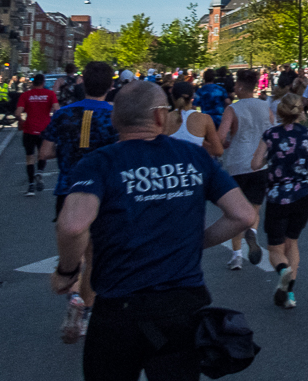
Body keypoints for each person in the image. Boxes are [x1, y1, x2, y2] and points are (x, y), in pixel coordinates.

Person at [52, 80, 253, 381]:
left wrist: (67, 272)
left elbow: (74, 225)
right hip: (181, 305)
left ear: (116, 119)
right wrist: (194, 243)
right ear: (160, 116)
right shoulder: (194, 156)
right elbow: (242, 215)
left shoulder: (98, 162)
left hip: (119, 306)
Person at [40, 61, 120, 345]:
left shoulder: (62, 114)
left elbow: (46, 151)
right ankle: (84, 308)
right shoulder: (115, 116)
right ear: (111, 86)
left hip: (67, 190)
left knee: (73, 250)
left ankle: (72, 292)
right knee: (95, 256)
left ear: (82, 83)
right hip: (103, 193)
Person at [251, 92, 308, 309]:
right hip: (303, 195)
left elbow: (255, 164)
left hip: (277, 196)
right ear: (301, 111)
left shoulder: (270, 135)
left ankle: (283, 271)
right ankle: (289, 294)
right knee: (292, 242)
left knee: (276, 248)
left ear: (279, 111)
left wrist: (271, 157)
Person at [218, 68, 270, 270]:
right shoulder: (266, 107)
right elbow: (271, 131)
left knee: (235, 213)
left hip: (237, 164)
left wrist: (224, 143)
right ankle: (253, 233)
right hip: (260, 162)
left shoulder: (233, 109)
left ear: (239, 86)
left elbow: (221, 137)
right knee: (254, 207)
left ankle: (237, 255)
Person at [15, 72, 57, 195]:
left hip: (29, 129)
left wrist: (20, 120)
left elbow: (18, 113)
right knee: (42, 154)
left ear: (33, 83)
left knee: (30, 157)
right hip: (44, 129)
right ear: (43, 82)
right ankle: (40, 172)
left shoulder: (26, 95)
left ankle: (31, 186)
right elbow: (57, 109)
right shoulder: (50, 94)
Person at [166, 81, 224, 158]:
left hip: (173, 166)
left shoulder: (165, 119)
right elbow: (218, 151)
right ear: (192, 97)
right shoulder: (204, 119)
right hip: (197, 166)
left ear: (172, 97)